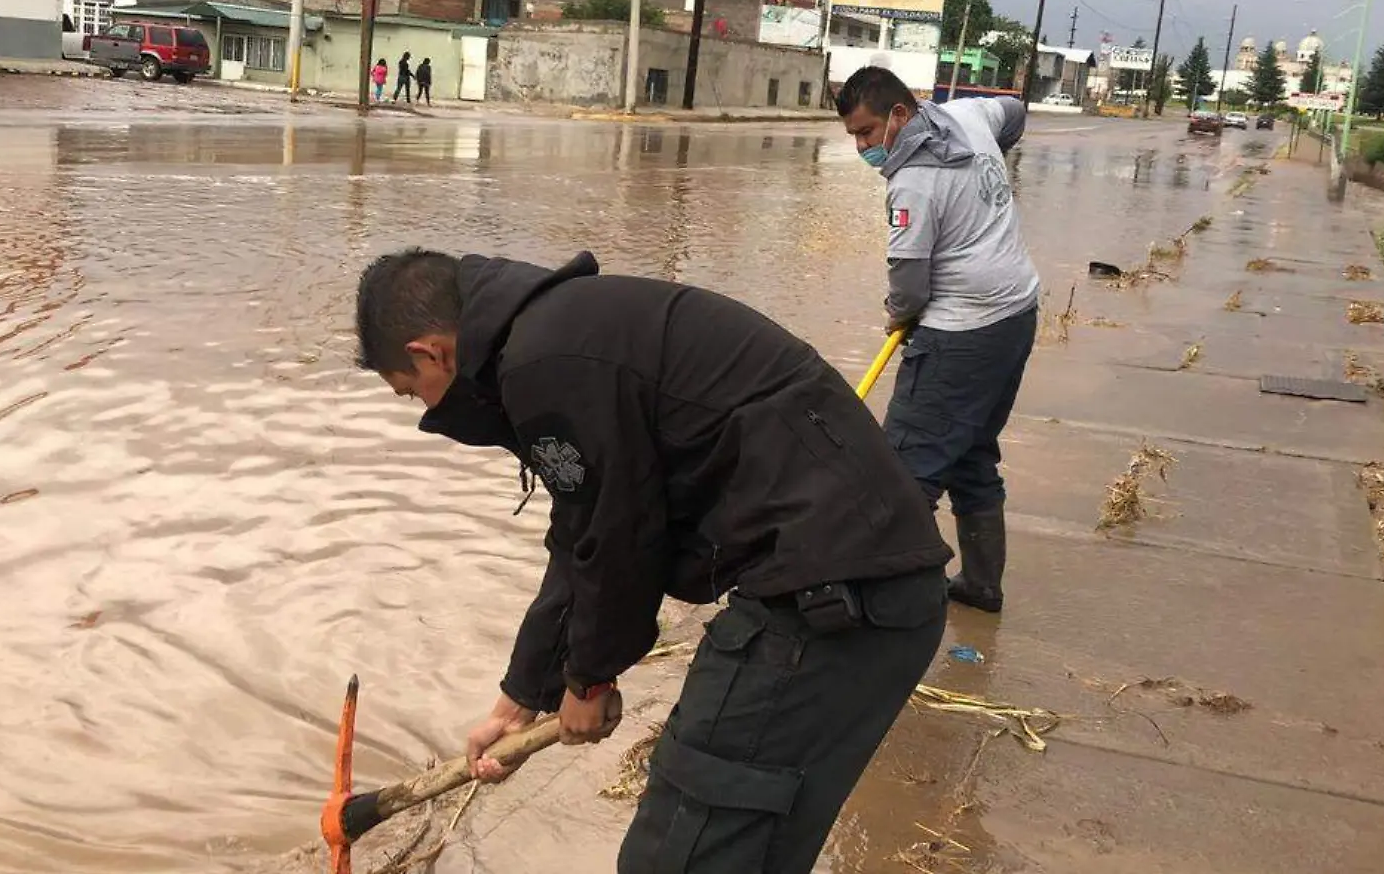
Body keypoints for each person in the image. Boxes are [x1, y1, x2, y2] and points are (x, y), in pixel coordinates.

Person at [356, 249, 951, 874]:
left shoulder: (546, 365)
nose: (425, 409)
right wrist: (521, 697)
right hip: (869, 589)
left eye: (411, 391)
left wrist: (589, 678)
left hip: (831, 604)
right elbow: (582, 529)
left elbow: (622, 534)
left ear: (430, 353)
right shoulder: (561, 331)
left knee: (677, 855)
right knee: (746, 851)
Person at [836, 66, 1038, 614]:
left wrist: (894, 317)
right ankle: (980, 584)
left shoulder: (913, 183)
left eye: (868, 133)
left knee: (901, 477)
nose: (862, 147)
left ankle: (886, 611)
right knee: (972, 453)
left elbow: (909, 286)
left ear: (900, 114)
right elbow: (1014, 111)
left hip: (961, 335)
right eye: (854, 136)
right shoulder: (967, 116)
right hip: (1016, 315)